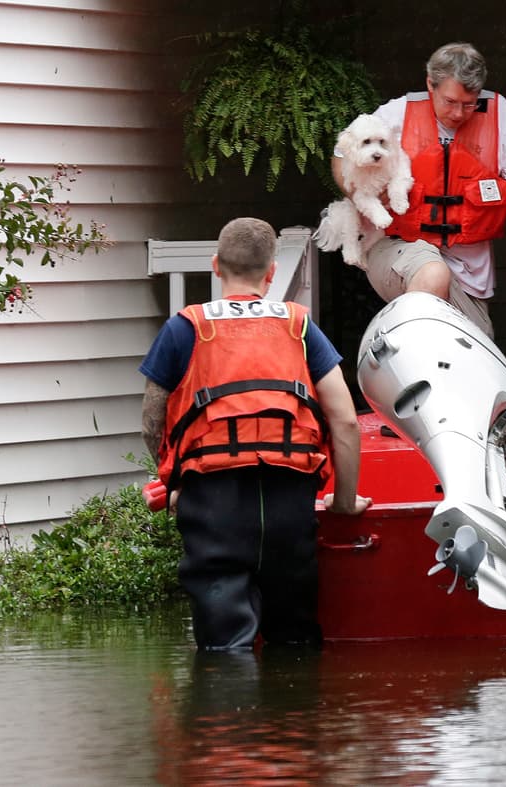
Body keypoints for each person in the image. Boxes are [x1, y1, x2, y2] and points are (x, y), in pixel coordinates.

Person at [140, 217, 371, 650]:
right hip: (289, 496)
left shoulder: (185, 327)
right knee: (295, 642)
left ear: (214, 266)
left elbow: (153, 418)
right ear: (271, 274)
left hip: (213, 501)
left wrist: (174, 482)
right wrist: (342, 501)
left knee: (223, 649)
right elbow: (345, 421)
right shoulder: (299, 326)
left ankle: (227, 713)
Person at [332, 41, 506, 337]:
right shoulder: (397, 113)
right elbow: (342, 154)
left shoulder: (497, 111)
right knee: (433, 273)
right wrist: (358, 193)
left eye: (468, 104)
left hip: (471, 269)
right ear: (431, 85)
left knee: (476, 345)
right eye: (450, 102)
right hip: (397, 246)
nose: (458, 113)